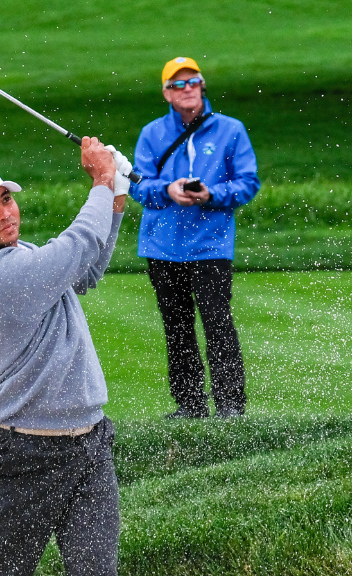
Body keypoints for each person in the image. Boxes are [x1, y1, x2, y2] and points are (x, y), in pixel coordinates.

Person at [0, 137, 132, 576]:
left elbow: (85, 270)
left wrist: (118, 196)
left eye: (6, 200)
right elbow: (77, 245)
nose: (5, 213)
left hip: (90, 443)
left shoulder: (22, 254)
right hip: (25, 453)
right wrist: (102, 182)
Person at [129, 57, 261, 419]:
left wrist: (211, 195)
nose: (186, 89)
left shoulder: (230, 130)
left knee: (218, 322)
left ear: (202, 86)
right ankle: (190, 405)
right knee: (176, 326)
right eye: (177, 84)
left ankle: (230, 405)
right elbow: (138, 186)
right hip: (162, 246)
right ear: (166, 94)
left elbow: (248, 183)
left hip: (211, 244)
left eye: (193, 82)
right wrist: (168, 190)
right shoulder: (152, 134)